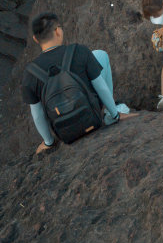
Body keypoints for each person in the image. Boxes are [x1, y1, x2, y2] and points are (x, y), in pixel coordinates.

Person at [22, 13, 135, 153]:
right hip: (92, 119)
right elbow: (100, 87)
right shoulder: (79, 51)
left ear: (35, 39)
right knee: (100, 55)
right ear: (57, 31)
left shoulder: (30, 72)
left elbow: (37, 114)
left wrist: (48, 142)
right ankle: (110, 114)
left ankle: (51, 140)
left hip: (65, 132)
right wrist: (117, 116)